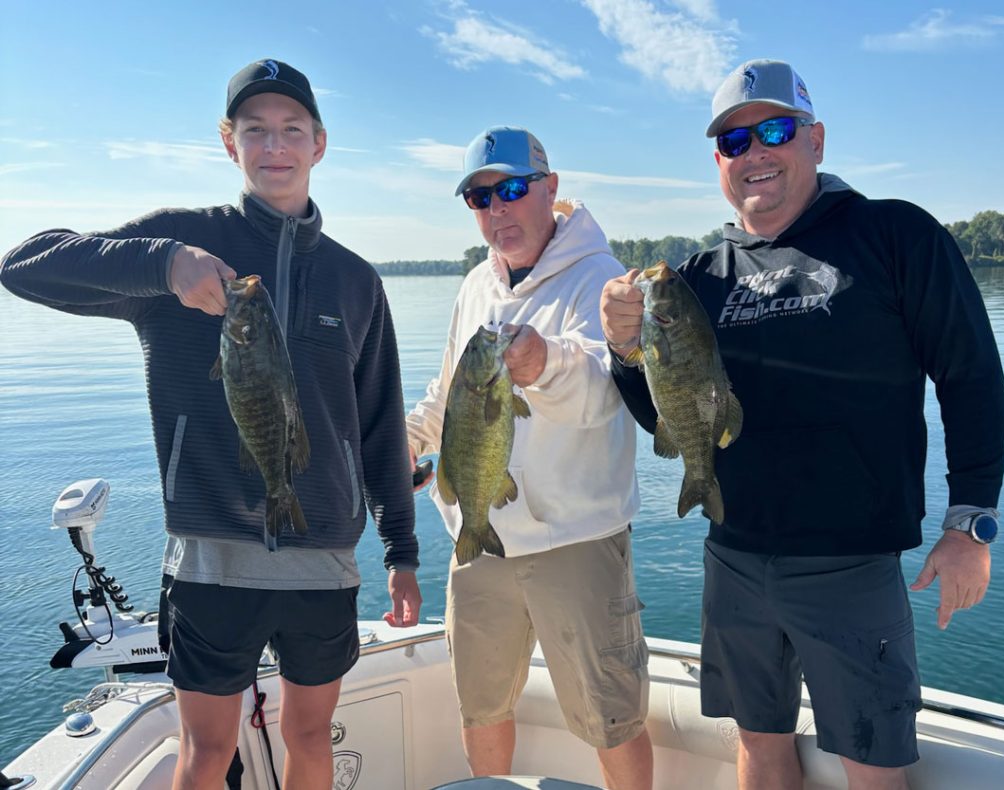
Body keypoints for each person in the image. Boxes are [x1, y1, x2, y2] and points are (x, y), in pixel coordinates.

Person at [1, 58, 422, 789]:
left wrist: (402, 550)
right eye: (255, 130)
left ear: (319, 143)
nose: (275, 147)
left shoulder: (356, 280)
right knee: (206, 752)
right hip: (208, 559)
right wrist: (161, 266)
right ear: (230, 144)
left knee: (312, 735)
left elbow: (380, 424)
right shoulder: (182, 243)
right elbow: (24, 266)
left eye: (292, 130)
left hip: (324, 557)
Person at [600, 59, 1004, 790]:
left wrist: (969, 522)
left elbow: (972, 376)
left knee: (872, 764)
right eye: (733, 142)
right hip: (733, 555)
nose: (754, 152)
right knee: (758, 744)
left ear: (815, 140)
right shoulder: (698, 276)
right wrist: (627, 353)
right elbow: (665, 410)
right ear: (719, 163)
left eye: (775, 130)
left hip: (851, 565)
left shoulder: (894, 234)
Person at [406, 126, 654, 790]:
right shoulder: (474, 287)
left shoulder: (599, 278)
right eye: (480, 198)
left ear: (550, 188)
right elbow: (449, 394)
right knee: (482, 705)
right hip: (478, 541)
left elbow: (607, 391)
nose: (498, 210)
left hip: (577, 540)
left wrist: (543, 363)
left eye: (513, 189)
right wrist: (402, 444)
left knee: (612, 717)